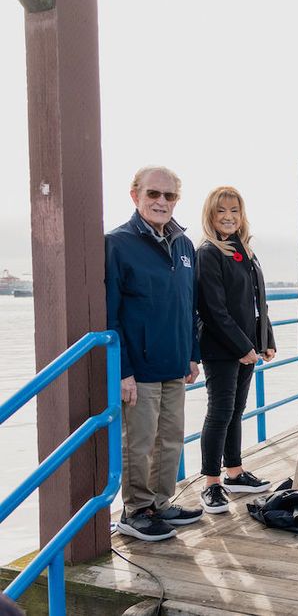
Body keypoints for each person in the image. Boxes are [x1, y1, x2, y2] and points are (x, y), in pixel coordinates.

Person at [105, 166, 202, 541]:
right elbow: (110, 314)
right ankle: (136, 510)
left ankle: (161, 503)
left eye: (169, 196)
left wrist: (191, 354)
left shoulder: (184, 245)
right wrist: (122, 371)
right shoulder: (117, 244)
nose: (161, 202)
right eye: (153, 194)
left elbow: (189, 305)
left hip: (175, 362)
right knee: (139, 442)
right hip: (139, 368)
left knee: (171, 438)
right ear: (135, 196)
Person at [196, 186, 277, 515]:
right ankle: (211, 484)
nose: (228, 217)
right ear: (210, 216)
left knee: (236, 412)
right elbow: (213, 310)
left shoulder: (243, 249)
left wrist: (265, 339)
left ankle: (235, 472)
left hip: (246, 348)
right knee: (219, 412)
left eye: (234, 211)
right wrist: (243, 347)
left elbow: (259, 301)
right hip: (221, 348)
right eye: (221, 211)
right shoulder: (209, 252)